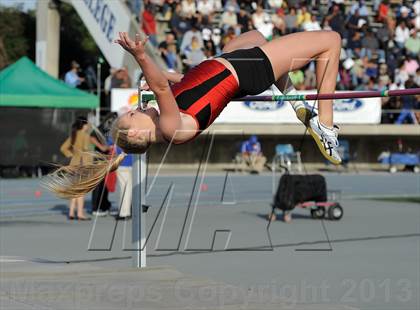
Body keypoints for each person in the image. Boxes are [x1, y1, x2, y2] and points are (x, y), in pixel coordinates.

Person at [47, 29, 343, 197]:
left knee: (255, 35)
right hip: (247, 70)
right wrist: (140, 57)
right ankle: (324, 125)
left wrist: (159, 74)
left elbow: (184, 82)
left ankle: (296, 102)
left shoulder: (168, 114)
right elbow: (162, 90)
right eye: (132, 115)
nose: (136, 108)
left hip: (227, 63)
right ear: (137, 133)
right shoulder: (172, 129)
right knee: (331, 41)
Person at [58, 117, 92, 220]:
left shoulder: (73, 134)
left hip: (73, 164)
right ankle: (80, 213)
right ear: (84, 125)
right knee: (81, 191)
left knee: (74, 190)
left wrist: (71, 155)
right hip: (82, 165)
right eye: (87, 124)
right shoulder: (85, 136)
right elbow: (86, 150)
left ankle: (71, 212)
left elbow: (63, 148)